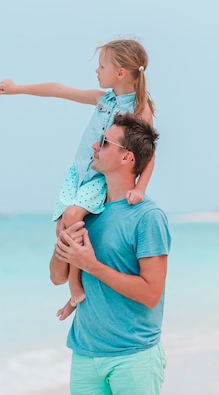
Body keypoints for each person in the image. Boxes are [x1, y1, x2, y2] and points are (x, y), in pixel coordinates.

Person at [0, 38, 156, 320]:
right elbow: (59, 90)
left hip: (98, 179)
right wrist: (16, 89)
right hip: (78, 174)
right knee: (62, 231)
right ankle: (72, 287)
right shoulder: (103, 99)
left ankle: (75, 288)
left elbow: (149, 152)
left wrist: (140, 188)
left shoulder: (139, 109)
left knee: (72, 215)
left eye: (102, 65)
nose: (97, 70)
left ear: (120, 73)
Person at [50, 113, 171, 395]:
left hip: (134, 357)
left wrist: (91, 265)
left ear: (127, 158)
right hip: (85, 353)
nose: (94, 145)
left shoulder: (148, 217)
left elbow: (151, 293)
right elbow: (57, 277)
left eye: (104, 143)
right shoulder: (86, 211)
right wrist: (64, 247)